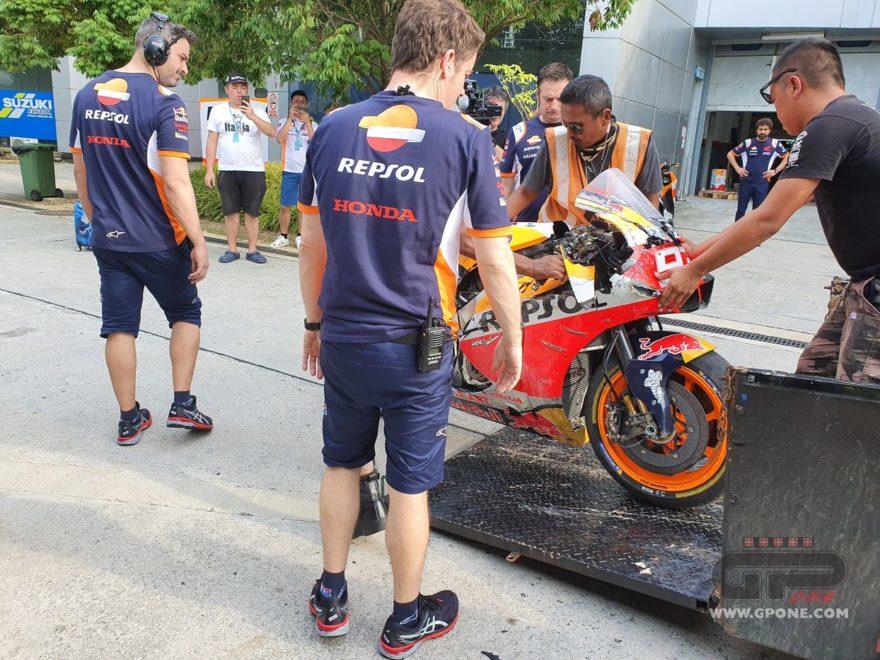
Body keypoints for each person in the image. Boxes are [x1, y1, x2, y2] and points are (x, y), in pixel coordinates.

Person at [297, 0, 523, 655]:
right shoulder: (465, 140)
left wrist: (313, 321)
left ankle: (332, 594)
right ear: (447, 60)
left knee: (342, 463)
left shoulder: (333, 127)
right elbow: (495, 259)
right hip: (417, 346)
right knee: (409, 486)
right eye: (465, 74)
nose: (462, 89)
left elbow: (312, 246)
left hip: (343, 335)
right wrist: (512, 338)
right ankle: (404, 617)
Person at [659, 37, 880, 384]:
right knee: (812, 376)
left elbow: (767, 220)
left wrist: (694, 271)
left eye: (772, 98)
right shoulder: (852, 118)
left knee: (855, 401)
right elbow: (761, 216)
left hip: (875, 287)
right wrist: (696, 253)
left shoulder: (828, 125)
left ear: (794, 84)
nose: (774, 113)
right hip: (864, 283)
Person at [70, 12, 213, 445]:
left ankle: (129, 419)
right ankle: (182, 404)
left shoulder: (86, 94)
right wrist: (199, 240)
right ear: (156, 49)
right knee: (186, 313)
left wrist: (96, 219)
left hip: (109, 240)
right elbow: (176, 182)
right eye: (181, 58)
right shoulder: (165, 103)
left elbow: (81, 171)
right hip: (159, 241)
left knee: (119, 327)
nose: (184, 69)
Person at [502, 74, 662, 280]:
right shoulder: (555, 141)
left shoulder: (640, 143)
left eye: (576, 127)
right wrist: (491, 227)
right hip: (558, 248)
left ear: (605, 116)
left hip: (615, 251)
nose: (569, 133)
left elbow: (650, 207)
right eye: (565, 124)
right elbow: (525, 193)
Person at [204, 73, 275, 264]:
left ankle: (252, 250)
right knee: (231, 212)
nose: (239, 91)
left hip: (254, 169)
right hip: (227, 169)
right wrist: (209, 169)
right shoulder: (218, 111)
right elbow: (212, 141)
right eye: (235, 87)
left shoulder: (257, 110)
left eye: (243, 87)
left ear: (247, 90)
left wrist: (252, 116)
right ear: (227, 89)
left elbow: (271, 132)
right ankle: (232, 250)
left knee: (252, 212)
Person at [499, 62, 573, 222]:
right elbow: (505, 186)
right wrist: (500, 222)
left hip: (566, 228)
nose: (554, 106)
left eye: (560, 99)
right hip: (526, 226)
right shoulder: (519, 131)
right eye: (548, 99)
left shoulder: (578, 133)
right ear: (538, 95)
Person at [271, 90, 318, 248]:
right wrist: (290, 119)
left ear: (306, 104)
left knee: (303, 207)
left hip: (307, 172)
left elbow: (316, 143)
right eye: (296, 101)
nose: (299, 104)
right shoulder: (283, 121)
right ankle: (283, 236)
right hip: (289, 170)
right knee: (285, 206)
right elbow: (279, 139)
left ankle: (300, 236)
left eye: (302, 101)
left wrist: (308, 123)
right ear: (291, 103)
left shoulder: (313, 124)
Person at [727, 117, 789, 220]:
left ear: (769, 130)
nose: (763, 132)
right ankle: (738, 229)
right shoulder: (748, 143)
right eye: (760, 129)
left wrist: (775, 171)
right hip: (745, 182)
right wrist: (738, 168)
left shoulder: (774, 144)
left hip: (762, 183)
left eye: (765, 129)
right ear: (757, 130)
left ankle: (753, 230)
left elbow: (787, 156)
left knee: (758, 211)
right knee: (741, 209)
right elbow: (730, 154)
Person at [484, 85, 509, 161]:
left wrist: (488, 140)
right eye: (492, 108)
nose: (495, 114)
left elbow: (506, 163)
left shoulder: (509, 136)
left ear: (505, 111)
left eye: (499, 109)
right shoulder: (471, 131)